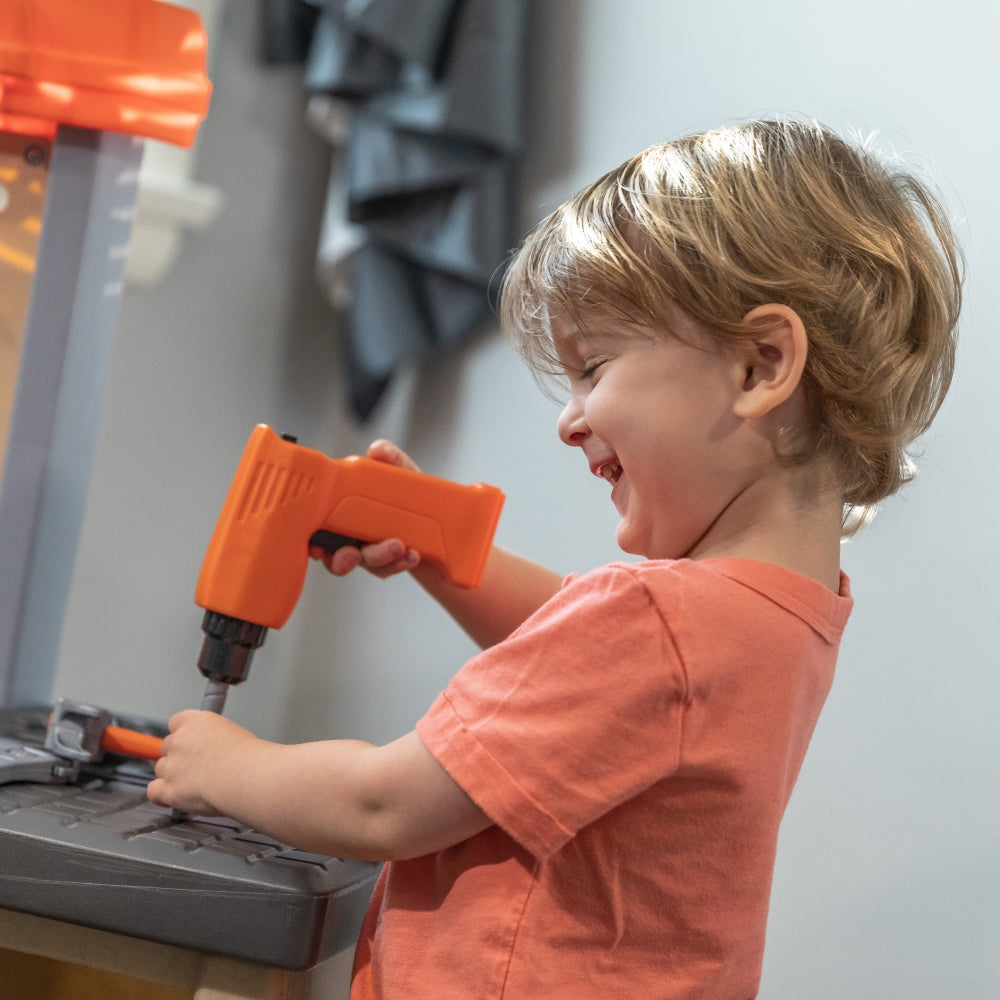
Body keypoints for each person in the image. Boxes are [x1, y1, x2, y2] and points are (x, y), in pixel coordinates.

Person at [148, 117, 962, 999]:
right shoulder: (780, 614)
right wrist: (443, 550)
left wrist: (224, 764)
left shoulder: (658, 622)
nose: (568, 418)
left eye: (595, 368)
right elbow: (584, 651)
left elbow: (383, 804)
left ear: (762, 366)